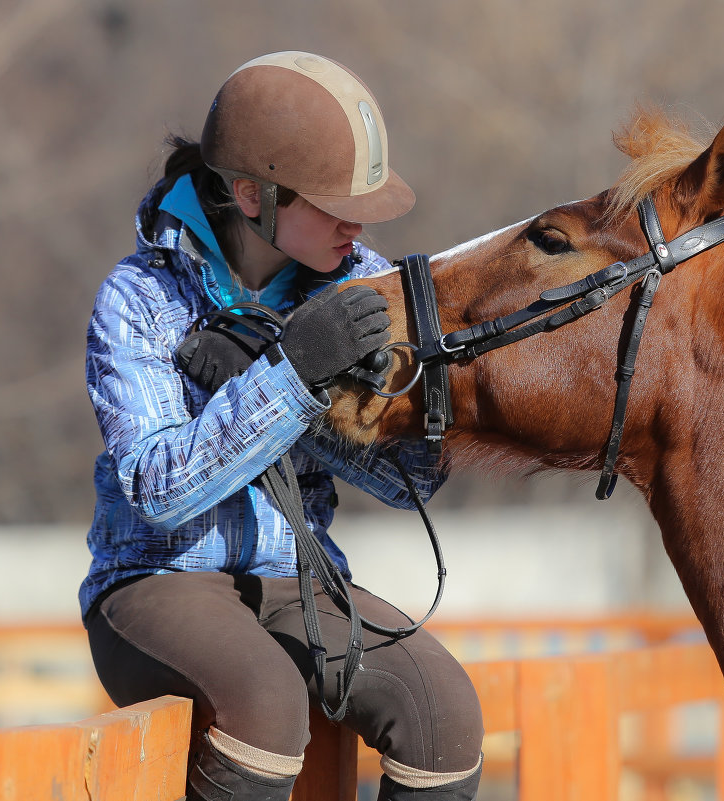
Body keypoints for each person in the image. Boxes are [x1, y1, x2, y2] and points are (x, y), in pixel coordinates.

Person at [81, 51, 483, 801]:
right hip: (154, 582)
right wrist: (291, 375)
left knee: (443, 713)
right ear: (251, 194)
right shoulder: (135, 298)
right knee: (266, 704)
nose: (356, 224)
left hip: (296, 577)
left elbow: (414, 480)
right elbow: (160, 490)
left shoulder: (361, 283)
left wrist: (287, 389)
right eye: (331, 205)